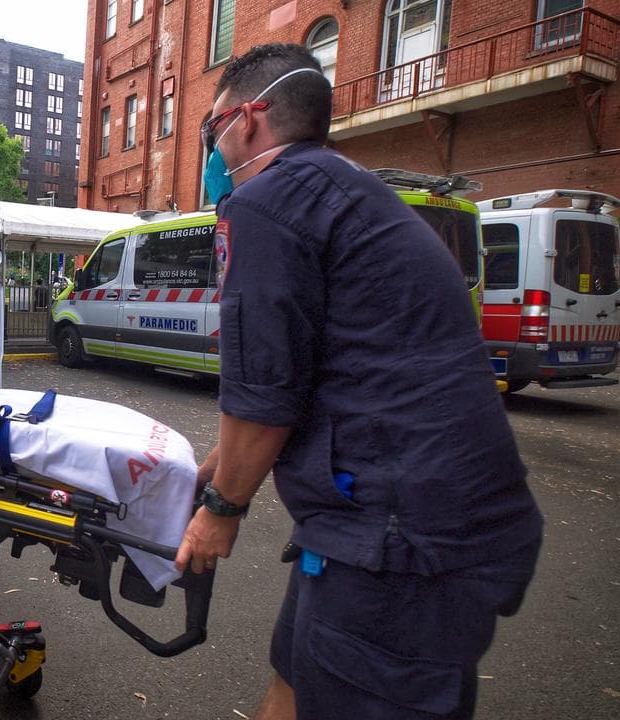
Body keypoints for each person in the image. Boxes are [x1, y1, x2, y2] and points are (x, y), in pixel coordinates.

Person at [173, 44, 542, 720]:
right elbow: (316, 368)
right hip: (405, 525)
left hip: (402, 544)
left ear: (248, 119)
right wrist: (216, 469)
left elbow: (264, 391)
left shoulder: (269, 203)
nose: (214, 150)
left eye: (212, 128)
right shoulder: (343, 191)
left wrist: (222, 511)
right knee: (294, 679)